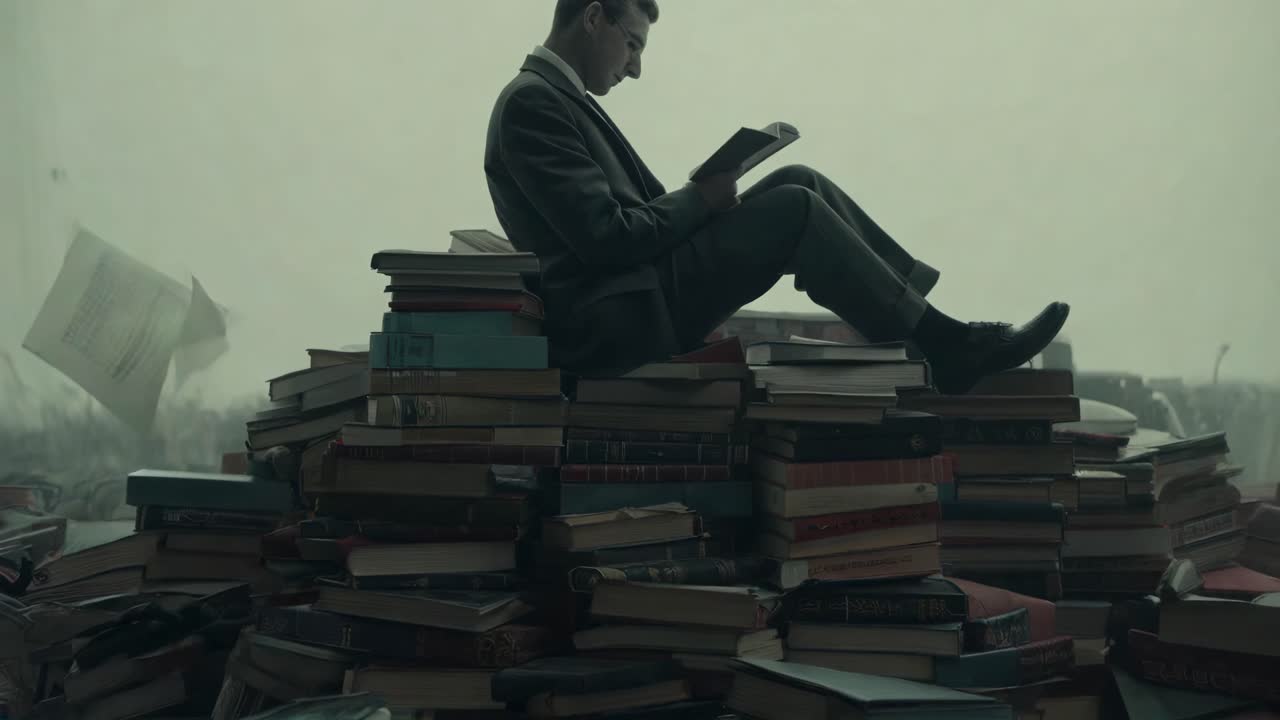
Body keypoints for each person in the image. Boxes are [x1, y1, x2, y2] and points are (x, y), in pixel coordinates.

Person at [483, 0, 1069, 393]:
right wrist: (700, 199)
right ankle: (945, 344)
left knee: (800, 181)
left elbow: (620, 225)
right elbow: (608, 238)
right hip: (620, 318)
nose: (635, 68)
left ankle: (925, 324)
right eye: (632, 45)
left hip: (643, 290)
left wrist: (707, 197)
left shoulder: (557, 99)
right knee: (794, 210)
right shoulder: (534, 103)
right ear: (592, 18)